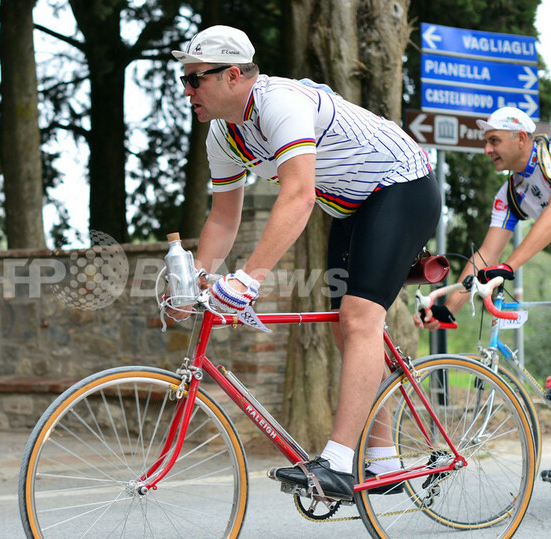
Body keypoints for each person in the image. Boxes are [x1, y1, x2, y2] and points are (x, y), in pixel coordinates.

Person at [169, 25, 441, 500]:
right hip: (351, 208)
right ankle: (385, 462)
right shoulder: (222, 136)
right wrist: (191, 281)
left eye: (194, 79)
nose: (186, 90)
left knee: (360, 318)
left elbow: (297, 195)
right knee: (345, 327)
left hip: (402, 187)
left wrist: (248, 279)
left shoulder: (281, 103)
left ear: (233, 75)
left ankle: (337, 462)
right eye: (183, 80)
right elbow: (223, 218)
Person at [415, 107, 551, 330]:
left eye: (494, 141)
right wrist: (447, 310)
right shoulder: (509, 194)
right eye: (486, 142)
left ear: (520, 138)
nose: (487, 150)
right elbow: (487, 253)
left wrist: (508, 266)